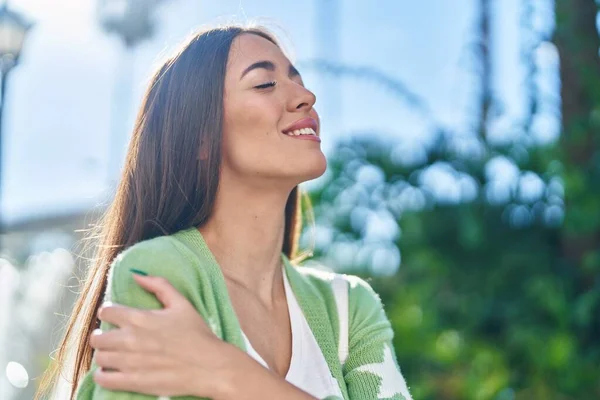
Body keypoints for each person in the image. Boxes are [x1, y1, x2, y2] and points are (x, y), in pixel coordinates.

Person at [36, 24, 412, 400]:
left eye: (297, 79)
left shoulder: (347, 307)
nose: (306, 96)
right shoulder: (159, 274)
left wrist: (229, 374)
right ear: (201, 136)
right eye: (265, 84)